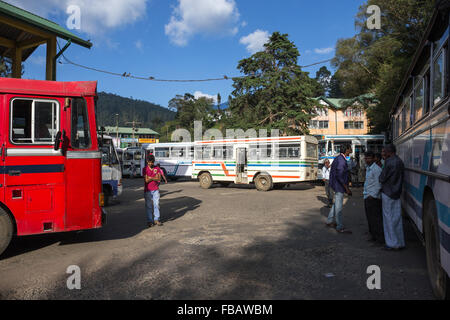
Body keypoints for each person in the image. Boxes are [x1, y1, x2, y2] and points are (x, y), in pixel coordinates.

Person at [379, 144, 405, 250]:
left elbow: (382, 178)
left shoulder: (389, 162)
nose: (383, 154)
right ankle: (400, 242)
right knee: (397, 218)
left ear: (389, 152)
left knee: (388, 219)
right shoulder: (400, 161)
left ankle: (392, 243)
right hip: (397, 193)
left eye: (384, 152)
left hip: (388, 193)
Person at [327, 144, 353, 234]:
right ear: (346, 150)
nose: (351, 150)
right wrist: (347, 188)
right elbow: (340, 176)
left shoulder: (339, 158)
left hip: (336, 184)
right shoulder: (341, 160)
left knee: (336, 204)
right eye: (350, 149)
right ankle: (340, 226)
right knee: (339, 207)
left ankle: (330, 221)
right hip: (339, 186)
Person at [363, 151, 385, 244]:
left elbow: (378, 184)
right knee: (370, 218)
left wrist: (373, 195)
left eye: (369, 158)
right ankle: (373, 236)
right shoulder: (368, 168)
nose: (367, 160)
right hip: (367, 196)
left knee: (376, 219)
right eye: (366, 158)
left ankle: (380, 239)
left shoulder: (376, 169)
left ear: (373, 159)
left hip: (374, 198)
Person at [144, 154, 162, 227]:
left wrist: (150, 178)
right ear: (147, 161)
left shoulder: (157, 168)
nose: (151, 163)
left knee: (156, 205)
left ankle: (156, 219)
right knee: (149, 206)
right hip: (147, 190)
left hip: (155, 190)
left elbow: (159, 179)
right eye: (149, 162)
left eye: (152, 162)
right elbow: (146, 180)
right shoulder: (145, 169)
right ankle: (150, 221)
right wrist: (154, 177)